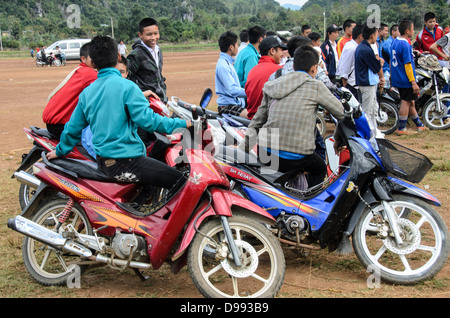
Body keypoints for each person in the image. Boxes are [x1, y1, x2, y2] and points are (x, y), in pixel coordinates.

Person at [47, 35, 190, 212]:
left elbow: (72, 129)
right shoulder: (127, 87)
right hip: (127, 161)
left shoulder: (87, 92)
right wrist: (182, 124)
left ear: (93, 63)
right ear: (119, 57)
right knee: (182, 182)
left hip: (104, 162)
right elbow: (149, 121)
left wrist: (60, 150)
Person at [239, 46, 344, 187]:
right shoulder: (316, 86)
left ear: (293, 66)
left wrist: (242, 151)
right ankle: (304, 197)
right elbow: (341, 113)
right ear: (314, 68)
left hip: (266, 153)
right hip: (297, 157)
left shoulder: (273, 85)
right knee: (319, 169)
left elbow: (257, 122)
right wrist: (338, 139)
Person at [42, 42, 97, 138]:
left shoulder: (80, 70)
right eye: (93, 57)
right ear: (83, 59)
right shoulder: (89, 74)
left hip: (55, 121)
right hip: (60, 124)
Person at [391, 20, 426, 135]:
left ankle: (419, 125)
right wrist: (413, 82)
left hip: (398, 77)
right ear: (407, 31)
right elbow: (408, 65)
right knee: (406, 101)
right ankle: (401, 128)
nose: (413, 31)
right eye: (412, 28)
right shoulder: (405, 44)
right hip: (405, 78)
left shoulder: (395, 41)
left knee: (411, 101)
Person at [245, 35, 286, 119]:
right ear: (272, 51)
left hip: (252, 120)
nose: (282, 54)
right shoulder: (279, 71)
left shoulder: (253, 71)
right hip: (268, 122)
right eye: (281, 50)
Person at [354, 25, 385, 136]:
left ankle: (373, 132)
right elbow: (376, 66)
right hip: (367, 84)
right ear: (372, 35)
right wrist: (380, 62)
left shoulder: (363, 47)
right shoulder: (365, 49)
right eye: (376, 33)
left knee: (373, 109)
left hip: (368, 83)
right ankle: (366, 134)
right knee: (367, 111)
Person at [127, 18, 166, 102]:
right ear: (140, 35)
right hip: (145, 101)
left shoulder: (158, 49)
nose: (153, 38)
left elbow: (159, 74)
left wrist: (163, 89)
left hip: (159, 100)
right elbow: (125, 77)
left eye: (156, 33)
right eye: (149, 34)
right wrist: (140, 94)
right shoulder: (136, 55)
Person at [215, 31, 247, 117]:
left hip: (234, 104)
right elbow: (232, 90)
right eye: (237, 45)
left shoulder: (228, 62)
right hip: (227, 106)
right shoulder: (223, 65)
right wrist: (250, 92)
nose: (238, 47)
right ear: (231, 47)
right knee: (254, 118)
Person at [336, 24, 364, 100]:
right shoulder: (351, 48)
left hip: (354, 85)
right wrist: (346, 87)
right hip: (351, 86)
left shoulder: (354, 46)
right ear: (360, 36)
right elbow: (344, 68)